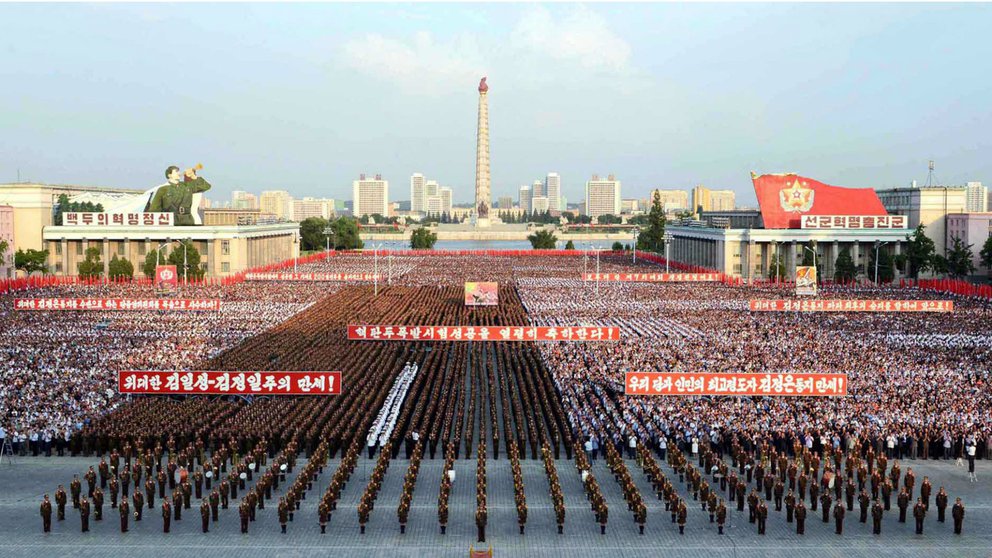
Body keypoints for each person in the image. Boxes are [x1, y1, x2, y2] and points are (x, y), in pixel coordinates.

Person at [146, 165, 211, 226]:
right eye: (176, 171)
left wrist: (193, 176)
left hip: (187, 220)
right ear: (169, 175)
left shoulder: (186, 186)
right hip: (170, 220)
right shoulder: (163, 189)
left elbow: (206, 186)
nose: (179, 173)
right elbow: (155, 209)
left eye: (179, 171)